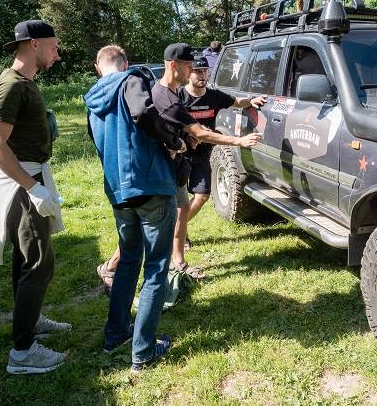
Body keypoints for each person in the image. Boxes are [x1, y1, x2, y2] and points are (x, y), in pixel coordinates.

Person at [96, 43, 262, 289]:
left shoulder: (171, 93)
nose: (194, 72)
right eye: (189, 66)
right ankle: (111, 266)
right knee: (151, 227)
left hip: (174, 165)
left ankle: (178, 261)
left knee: (182, 209)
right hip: (160, 170)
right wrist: (238, 140)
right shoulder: (165, 97)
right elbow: (198, 132)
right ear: (174, 66)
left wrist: (181, 140)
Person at [0, 20, 70, 374]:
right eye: (54, 46)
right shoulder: (10, 85)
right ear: (33, 44)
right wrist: (32, 187)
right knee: (39, 262)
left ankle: (32, 320)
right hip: (21, 184)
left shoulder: (26, 82)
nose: (57, 54)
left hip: (31, 177)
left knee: (26, 260)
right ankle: (23, 353)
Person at [84, 45, 184, 372]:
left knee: (128, 259)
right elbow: (143, 114)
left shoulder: (92, 99)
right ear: (124, 63)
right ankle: (143, 351)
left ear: (100, 69)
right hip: (149, 183)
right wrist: (174, 141)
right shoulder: (131, 81)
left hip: (118, 191)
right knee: (156, 265)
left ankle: (116, 334)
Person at [179, 56, 267, 253]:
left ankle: (178, 227)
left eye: (205, 71)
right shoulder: (178, 97)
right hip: (180, 155)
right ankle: (180, 235)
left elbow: (236, 102)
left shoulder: (214, 96)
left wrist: (251, 101)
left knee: (202, 196)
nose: (202, 75)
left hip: (203, 154)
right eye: (198, 72)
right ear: (189, 73)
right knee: (180, 201)